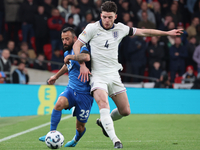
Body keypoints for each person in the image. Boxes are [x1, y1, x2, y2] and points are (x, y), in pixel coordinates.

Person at [63, 1, 183, 148]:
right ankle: (116, 141)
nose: (107, 20)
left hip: (114, 75)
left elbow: (145, 32)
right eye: (105, 17)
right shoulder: (92, 28)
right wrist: (81, 65)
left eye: (110, 17)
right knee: (103, 104)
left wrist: (167, 33)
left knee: (125, 111)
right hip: (98, 75)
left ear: (115, 16)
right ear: (101, 15)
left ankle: (103, 122)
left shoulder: (121, 29)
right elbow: (77, 45)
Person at [39, 27, 94, 147]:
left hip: (85, 94)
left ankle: (75, 140)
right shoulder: (66, 52)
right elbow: (66, 66)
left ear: (74, 38)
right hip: (71, 89)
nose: (64, 42)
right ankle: (51, 132)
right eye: (63, 39)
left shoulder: (81, 48)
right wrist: (56, 76)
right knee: (58, 104)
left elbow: (86, 57)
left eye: (67, 39)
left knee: (80, 127)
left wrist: (70, 57)